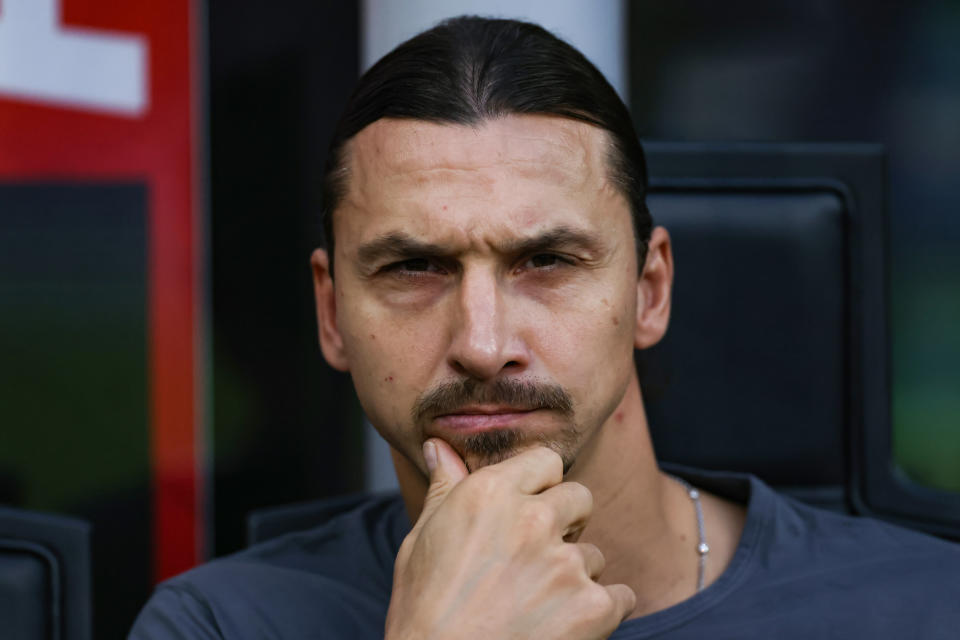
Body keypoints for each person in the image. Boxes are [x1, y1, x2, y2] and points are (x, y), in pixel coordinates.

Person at [130, 16, 960, 639]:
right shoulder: (219, 625)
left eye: (548, 262)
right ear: (330, 312)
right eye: (415, 268)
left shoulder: (921, 608)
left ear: (649, 290)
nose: (484, 345)